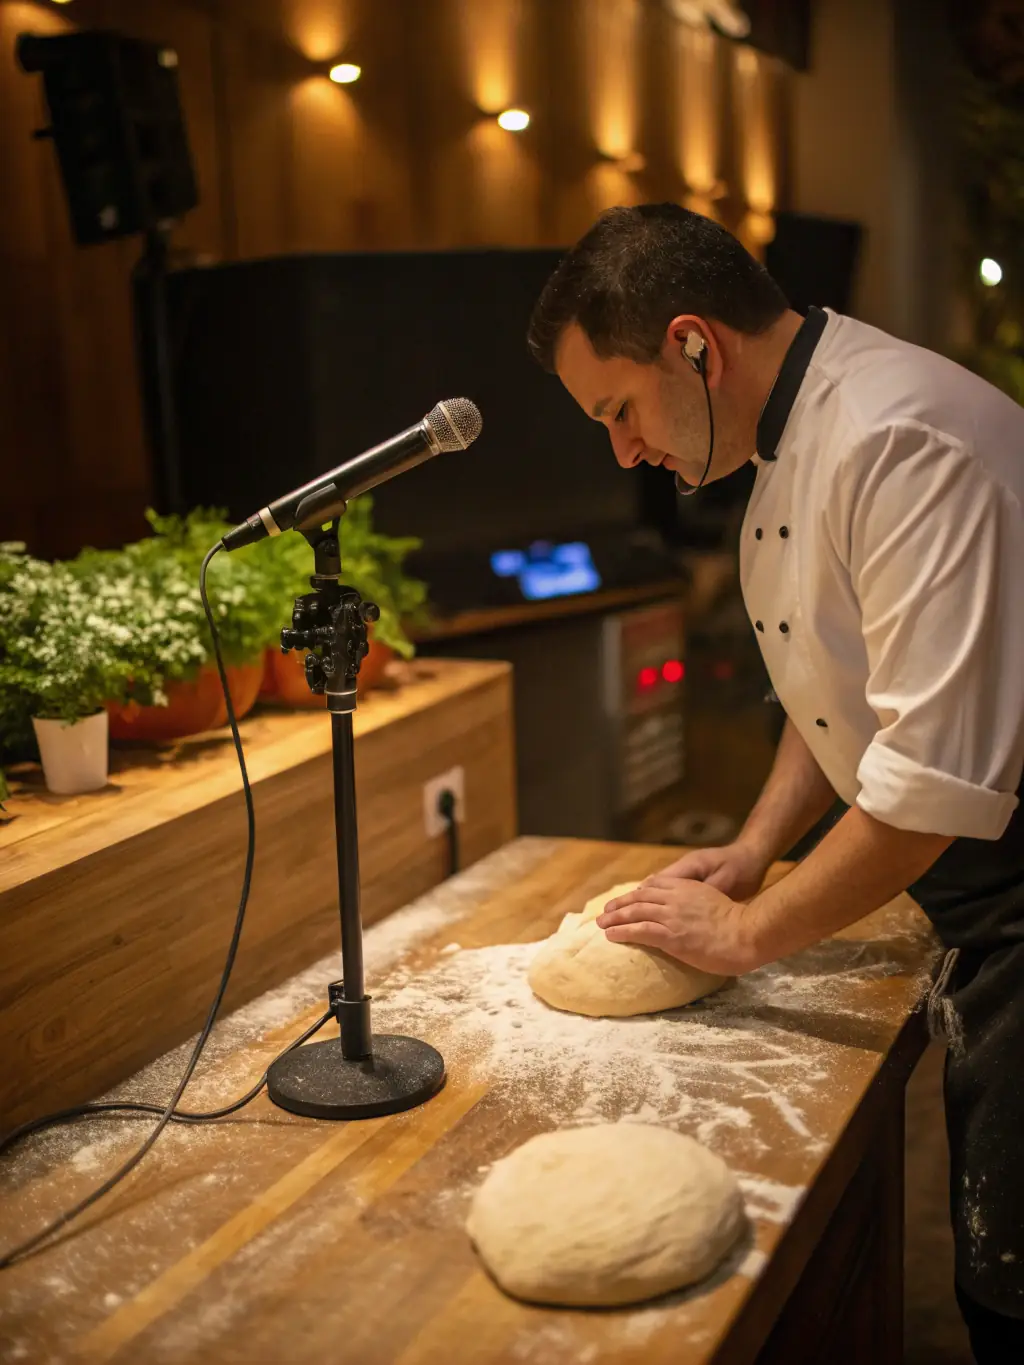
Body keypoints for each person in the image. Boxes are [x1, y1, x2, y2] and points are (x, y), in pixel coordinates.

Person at [527, 202, 1024, 1363]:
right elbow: (839, 687)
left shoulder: (898, 440)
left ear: (694, 346)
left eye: (619, 409)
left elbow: (931, 782)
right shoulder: (795, 437)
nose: (623, 451)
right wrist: (754, 850)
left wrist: (748, 932)